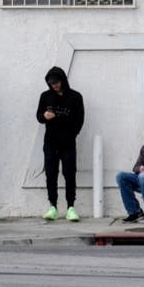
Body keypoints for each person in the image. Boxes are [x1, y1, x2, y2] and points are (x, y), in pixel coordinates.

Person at [36, 66, 85, 222]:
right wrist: (44, 115)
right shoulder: (45, 96)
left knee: (69, 173)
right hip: (50, 141)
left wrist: (72, 134)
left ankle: (71, 206)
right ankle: (53, 206)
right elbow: (38, 115)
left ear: (62, 80)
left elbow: (80, 119)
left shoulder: (75, 97)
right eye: (51, 83)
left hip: (68, 142)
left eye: (57, 82)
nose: (55, 85)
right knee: (51, 173)